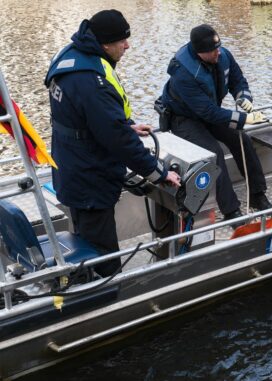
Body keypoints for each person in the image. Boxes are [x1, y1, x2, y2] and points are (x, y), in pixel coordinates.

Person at [45, 9, 181, 276]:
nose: (127, 45)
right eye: (122, 41)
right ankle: (106, 296)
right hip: (89, 178)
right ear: (105, 43)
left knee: (85, 232)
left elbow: (85, 116)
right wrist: (160, 173)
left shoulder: (71, 55)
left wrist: (126, 126)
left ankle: (88, 279)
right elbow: (119, 141)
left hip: (71, 164)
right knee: (103, 252)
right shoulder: (90, 80)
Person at [159, 24, 272, 222]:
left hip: (211, 112)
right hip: (184, 119)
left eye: (218, 47)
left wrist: (243, 97)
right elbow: (208, 112)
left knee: (241, 139)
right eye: (212, 50)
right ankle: (231, 211)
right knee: (214, 153)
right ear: (199, 53)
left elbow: (238, 79)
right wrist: (246, 119)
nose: (217, 52)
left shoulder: (222, 55)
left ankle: (257, 195)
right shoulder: (183, 73)